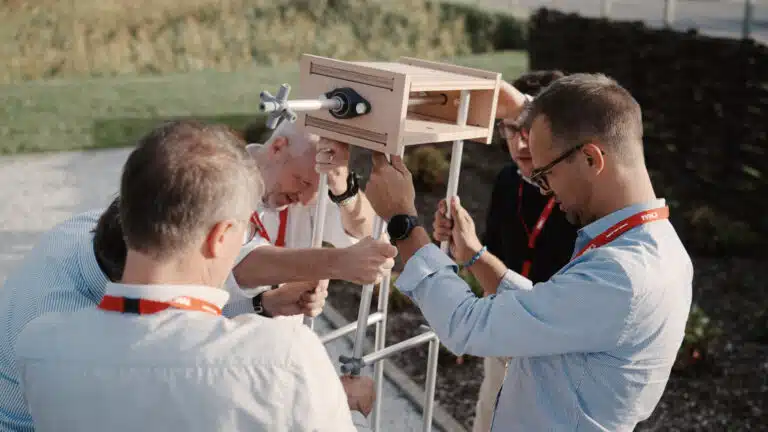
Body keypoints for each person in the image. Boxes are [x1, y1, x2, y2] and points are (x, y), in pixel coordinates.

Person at [365, 74, 693, 431]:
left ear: (590, 158)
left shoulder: (622, 274)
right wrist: (475, 256)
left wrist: (402, 221)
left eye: (545, 173)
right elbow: (551, 310)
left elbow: (466, 324)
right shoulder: (657, 248)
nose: (545, 189)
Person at [15, 120, 372, 432]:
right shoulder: (285, 357)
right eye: (242, 233)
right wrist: (325, 394)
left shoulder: (38, 346)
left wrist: (260, 305)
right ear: (221, 237)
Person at [457, 70, 579, 432]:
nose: (521, 143)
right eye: (511, 129)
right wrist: (461, 246)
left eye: (529, 130)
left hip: (555, 347)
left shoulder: (577, 197)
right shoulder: (507, 181)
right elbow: (492, 250)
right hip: (505, 332)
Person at [232, 120, 395, 296]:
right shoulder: (223, 180)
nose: (305, 200)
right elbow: (242, 267)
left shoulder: (307, 186)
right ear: (277, 148)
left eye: (317, 191)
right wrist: (338, 263)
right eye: (303, 182)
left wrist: (343, 190)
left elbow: (370, 234)